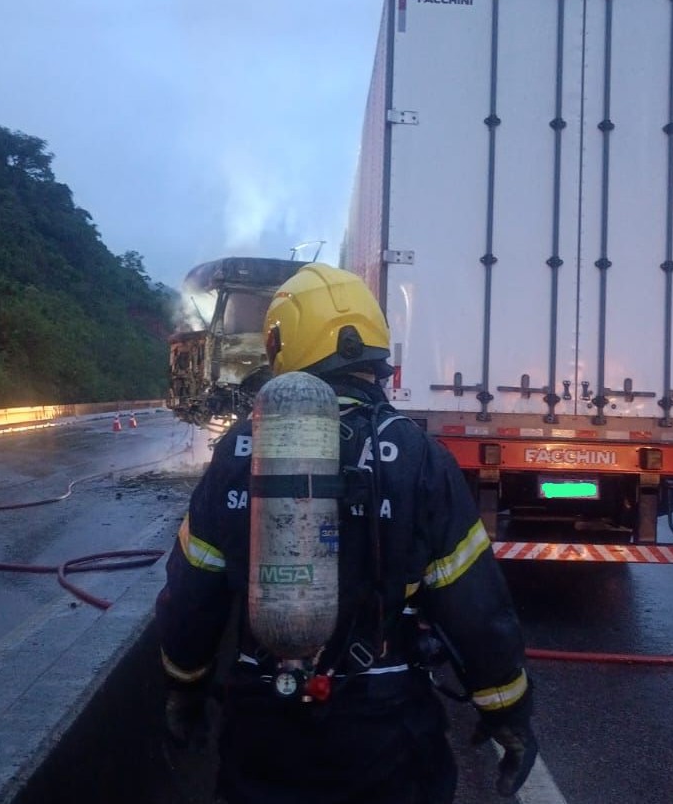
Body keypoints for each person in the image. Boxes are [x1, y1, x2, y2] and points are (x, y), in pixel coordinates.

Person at [156, 262, 537, 804]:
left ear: (284, 347)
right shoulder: (417, 455)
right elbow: (475, 609)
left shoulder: (240, 450)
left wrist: (182, 689)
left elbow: (190, 594)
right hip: (385, 730)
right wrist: (508, 712)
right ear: (374, 350)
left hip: (264, 728)